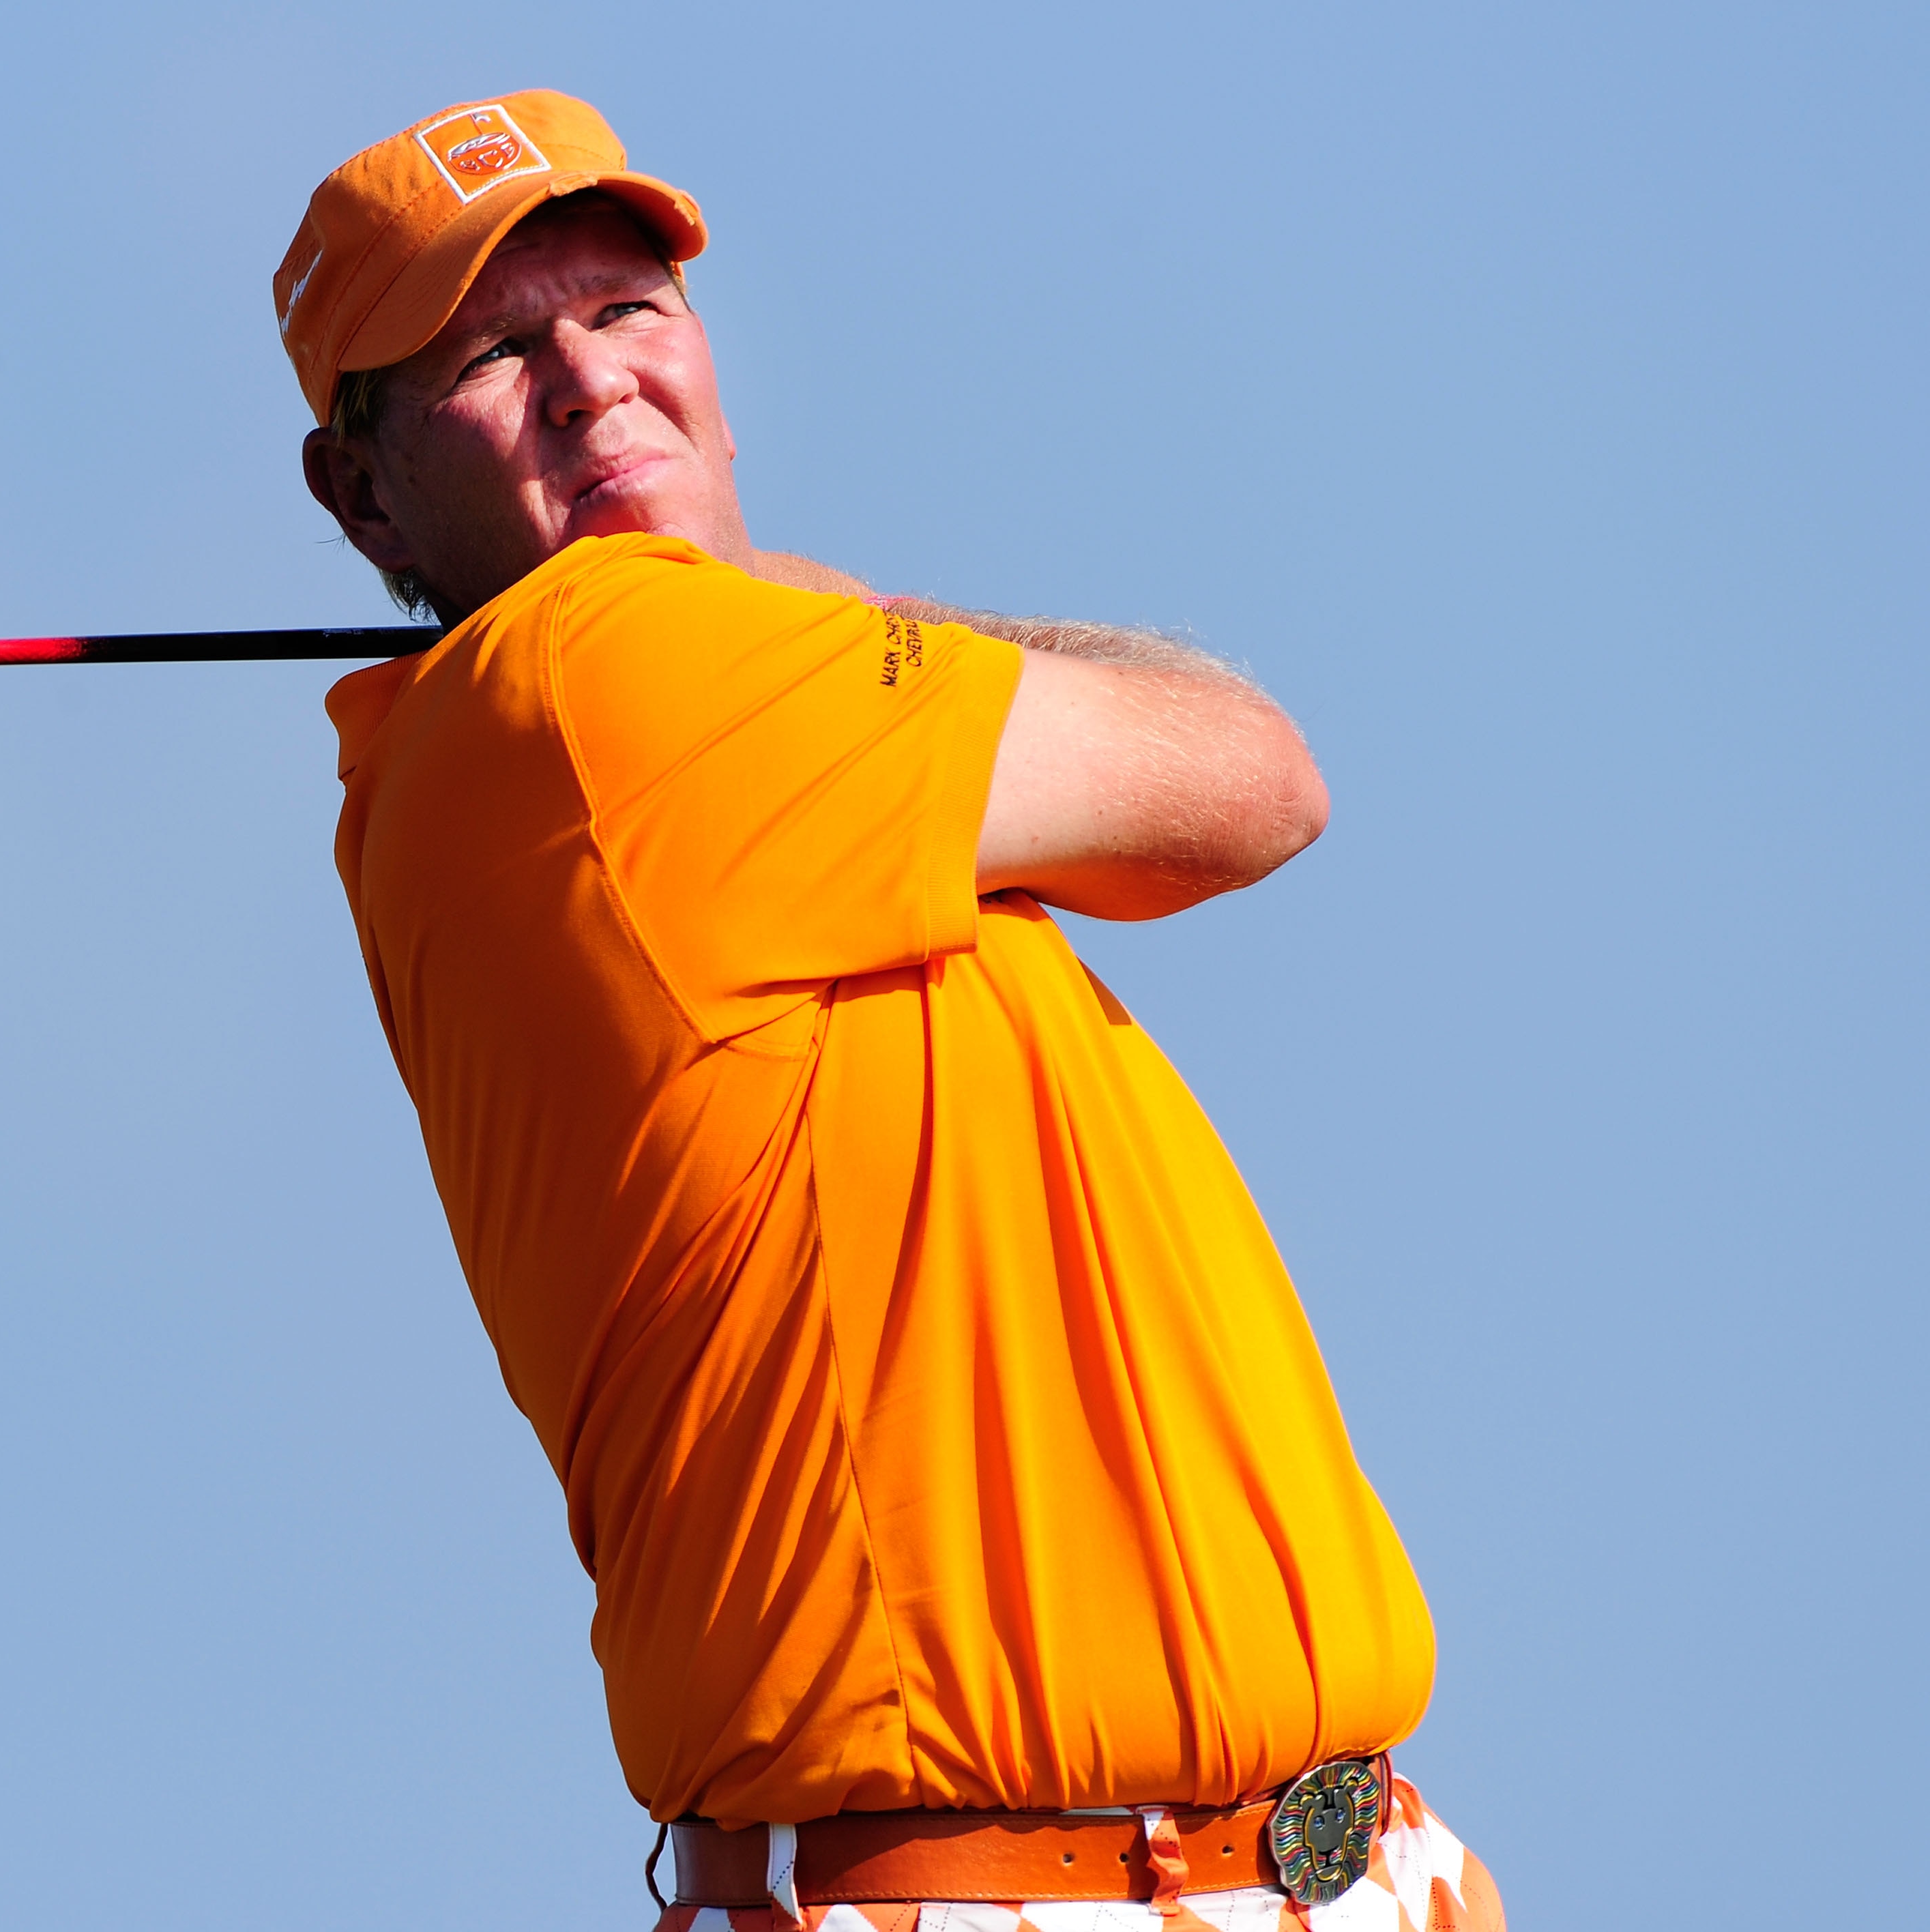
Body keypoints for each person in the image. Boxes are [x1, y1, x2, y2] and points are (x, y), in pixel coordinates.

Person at [279, 91, 1504, 1932]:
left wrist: (816, 626)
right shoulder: (593, 678)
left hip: (1340, 1874)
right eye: (492, 350)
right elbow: (1249, 782)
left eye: (626, 310)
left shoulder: (702, 716)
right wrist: (831, 608)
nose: (592, 380)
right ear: (366, 493)